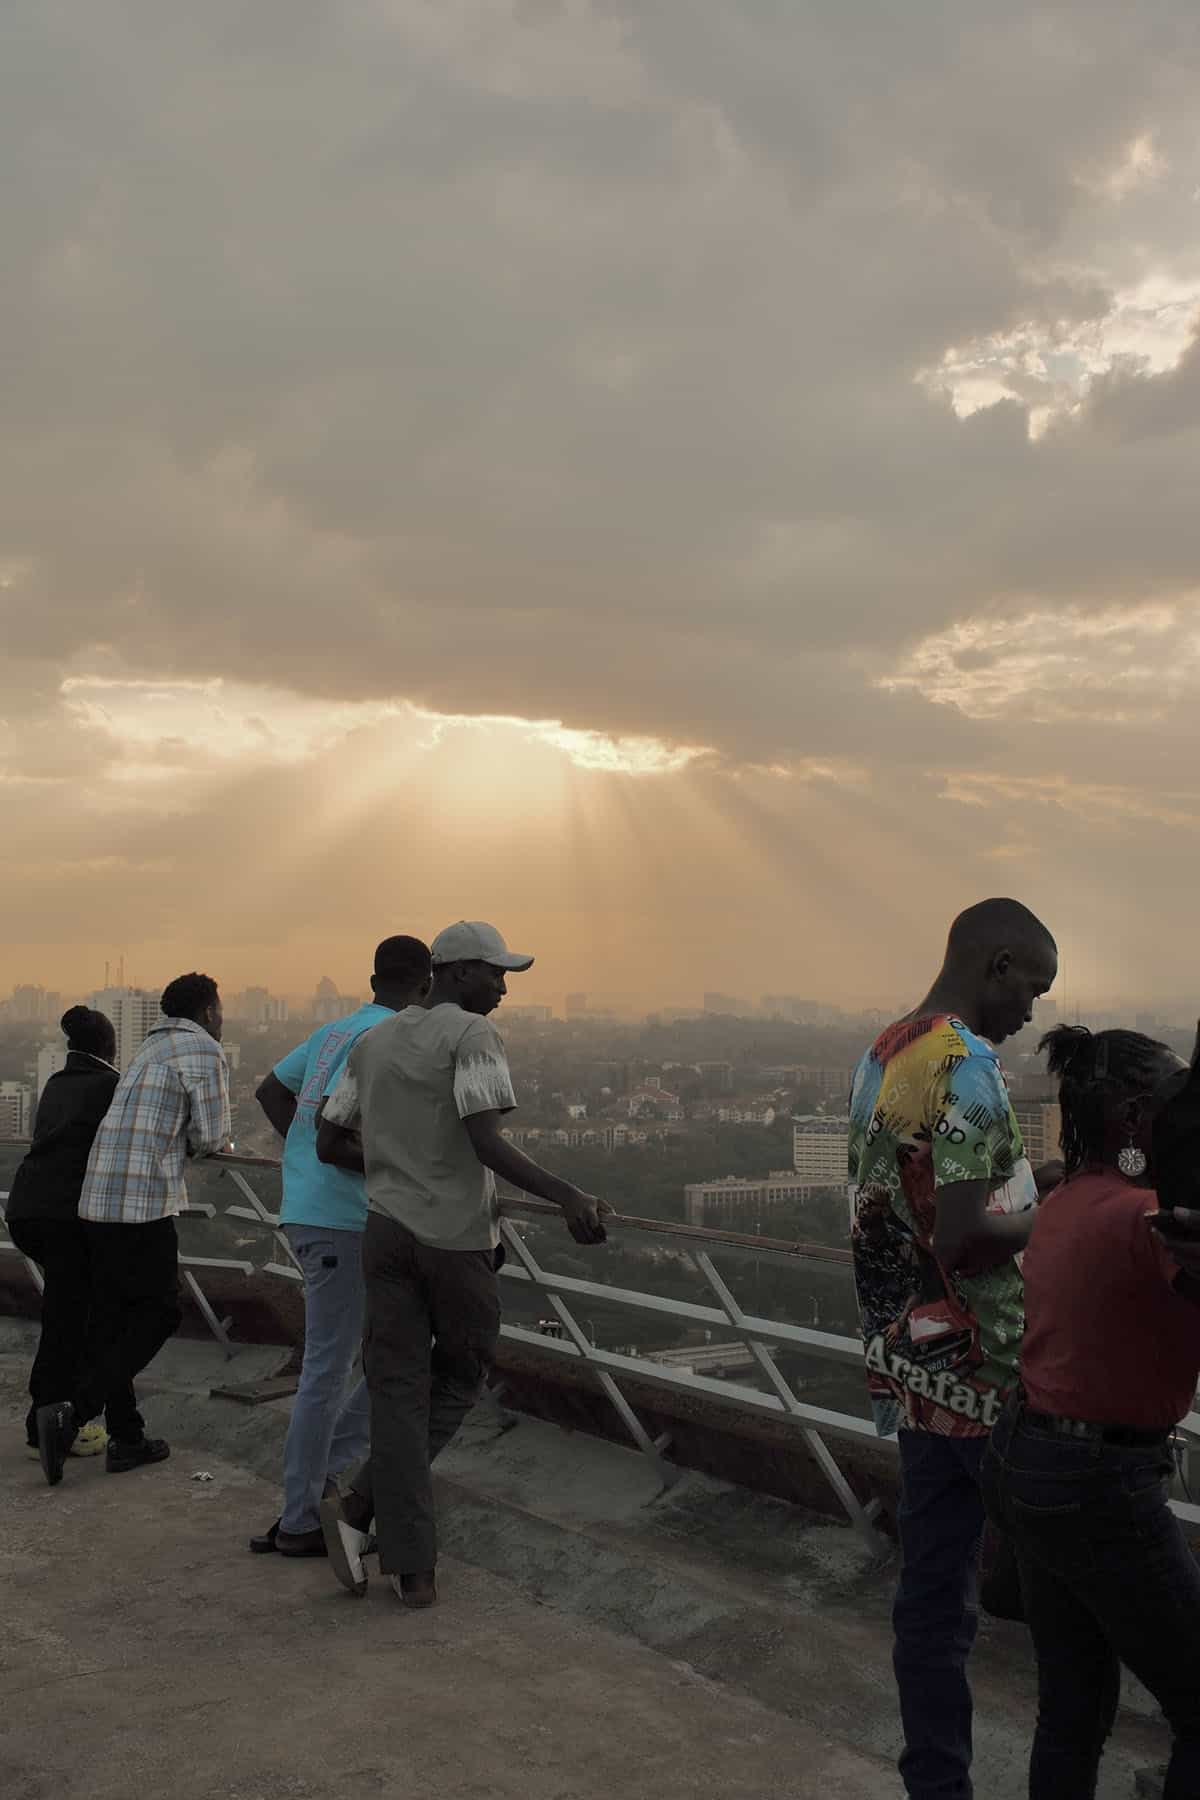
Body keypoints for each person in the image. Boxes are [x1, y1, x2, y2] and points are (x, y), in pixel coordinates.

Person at [315, 920, 611, 1608]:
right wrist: (567, 1195)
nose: (504, 987)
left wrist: (396, 1164)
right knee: (465, 1369)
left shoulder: (375, 1037)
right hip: (452, 1241)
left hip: (384, 1233)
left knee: (394, 1390)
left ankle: (388, 1537)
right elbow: (484, 1140)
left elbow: (330, 1140)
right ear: (453, 973)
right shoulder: (472, 1036)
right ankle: (377, 1528)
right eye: (494, 973)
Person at [847, 898, 1059, 1800]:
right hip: (990, 1377)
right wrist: (1057, 1213)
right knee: (1072, 1602)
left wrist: (1026, 1180)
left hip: (914, 1366)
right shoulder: (969, 1067)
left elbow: (922, 1198)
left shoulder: (888, 1050)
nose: (1032, 1013)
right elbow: (966, 1240)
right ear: (999, 963)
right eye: (1033, 988)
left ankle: (936, 1784)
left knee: (931, 1598)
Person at [981, 1023, 1200, 1800]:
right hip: (1099, 1482)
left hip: (1030, 1460)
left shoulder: (1069, 1199)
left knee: (1071, 1711)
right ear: (1138, 1117)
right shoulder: (1147, 1220)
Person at [247, 935, 433, 1559]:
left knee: (366, 1360)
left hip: (311, 1209)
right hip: (343, 1220)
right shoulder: (394, 1038)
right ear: (426, 986)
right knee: (328, 1369)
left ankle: (317, 1481)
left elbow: (271, 1091)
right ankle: (300, 1518)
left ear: (373, 977)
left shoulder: (335, 1032)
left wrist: (302, 1154)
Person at [36, 973, 231, 1484]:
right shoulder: (203, 1051)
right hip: (141, 1202)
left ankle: (126, 1437)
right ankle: (73, 1412)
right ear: (208, 1012)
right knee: (161, 1313)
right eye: (221, 1008)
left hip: (96, 1200)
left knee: (109, 1323)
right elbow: (211, 1136)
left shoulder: (147, 1048)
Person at [6, 1007, 120, 1467]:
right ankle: (48, 1425)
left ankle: (46, 1418)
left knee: (64, 1314)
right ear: (109, 1047)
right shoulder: (109, 1086)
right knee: (69, 1324)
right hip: (63, 1217)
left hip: (27, 1209)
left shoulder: (56, 1084)